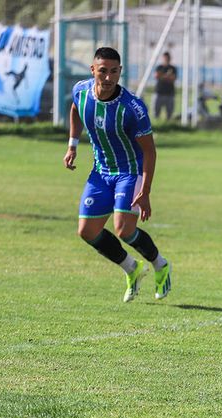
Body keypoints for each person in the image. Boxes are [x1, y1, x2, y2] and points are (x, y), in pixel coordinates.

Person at [63, 47, 172, 303]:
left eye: (114, 72)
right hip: (101, 172)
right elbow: (75, 110)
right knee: (87, 231)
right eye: (103, 71)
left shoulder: (132, 107)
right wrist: (72, 145)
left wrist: (145, 191)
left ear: (120, 71)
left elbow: (150, 152)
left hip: (130, 172)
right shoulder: (81, 91)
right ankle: (132, 269)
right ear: (93, 71)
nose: (109, 77)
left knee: (123, 229)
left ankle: (160, 264)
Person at [153, 52, 177, 120]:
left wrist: (162, 76)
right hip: (159, 92)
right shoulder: (159, 67)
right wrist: (167, 76)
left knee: (169, 113)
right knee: (156, 113)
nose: (166, 59)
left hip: (169, 93)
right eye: (165, 58)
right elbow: (156, 76)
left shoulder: (173, 68)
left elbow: (173, 78)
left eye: (168, 58)